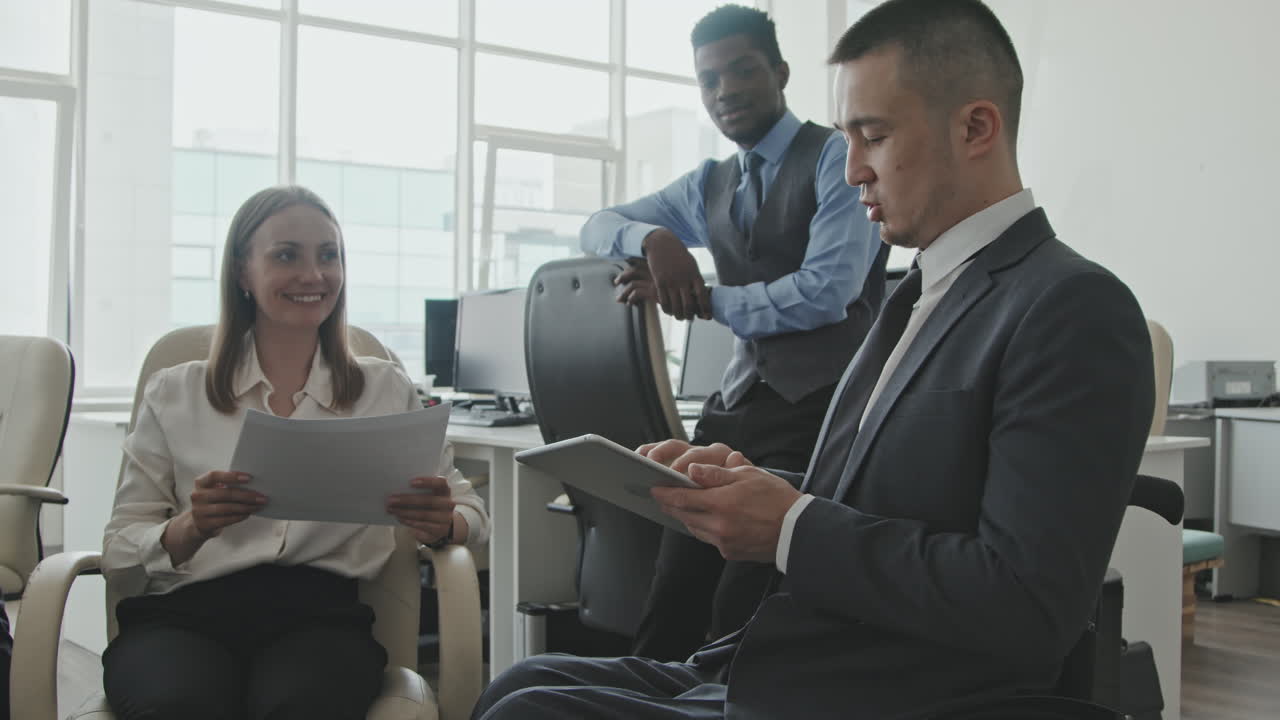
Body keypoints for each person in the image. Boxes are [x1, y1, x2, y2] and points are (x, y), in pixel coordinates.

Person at [471, 0, 1155, 718]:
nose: (854, 168)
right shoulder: (917, 296)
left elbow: (1025, 606)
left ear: (976, 127)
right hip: (785, 655)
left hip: (879, 687)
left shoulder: (1070, 308)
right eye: (846, 137)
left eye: (875, 136)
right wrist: (755, 486)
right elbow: (884, 499)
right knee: (521, 681)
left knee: (530, 711)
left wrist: (791, 525)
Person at [101, 186, 490, 720]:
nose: (315, 275)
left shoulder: (384, 389)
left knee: (301, 706)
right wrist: (192, 526)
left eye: (329, 256)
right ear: (242, 272)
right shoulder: (176, 392)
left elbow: (471, 512)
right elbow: (121, 545)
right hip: (185, 614)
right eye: (287, 255)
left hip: (319, 619)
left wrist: (443, 524)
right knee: (177, 705)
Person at [580, 4, 886, 661]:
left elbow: (826, 293)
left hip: (823, 409)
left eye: (742, 70)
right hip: (736, 407)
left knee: (737, 611)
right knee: (672, 597)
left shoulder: (837, 159)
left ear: (779, 71)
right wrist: (655, 238)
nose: (725, 91)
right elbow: (598, 225)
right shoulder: (711, 184)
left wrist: (706, 299)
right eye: (709, 79)